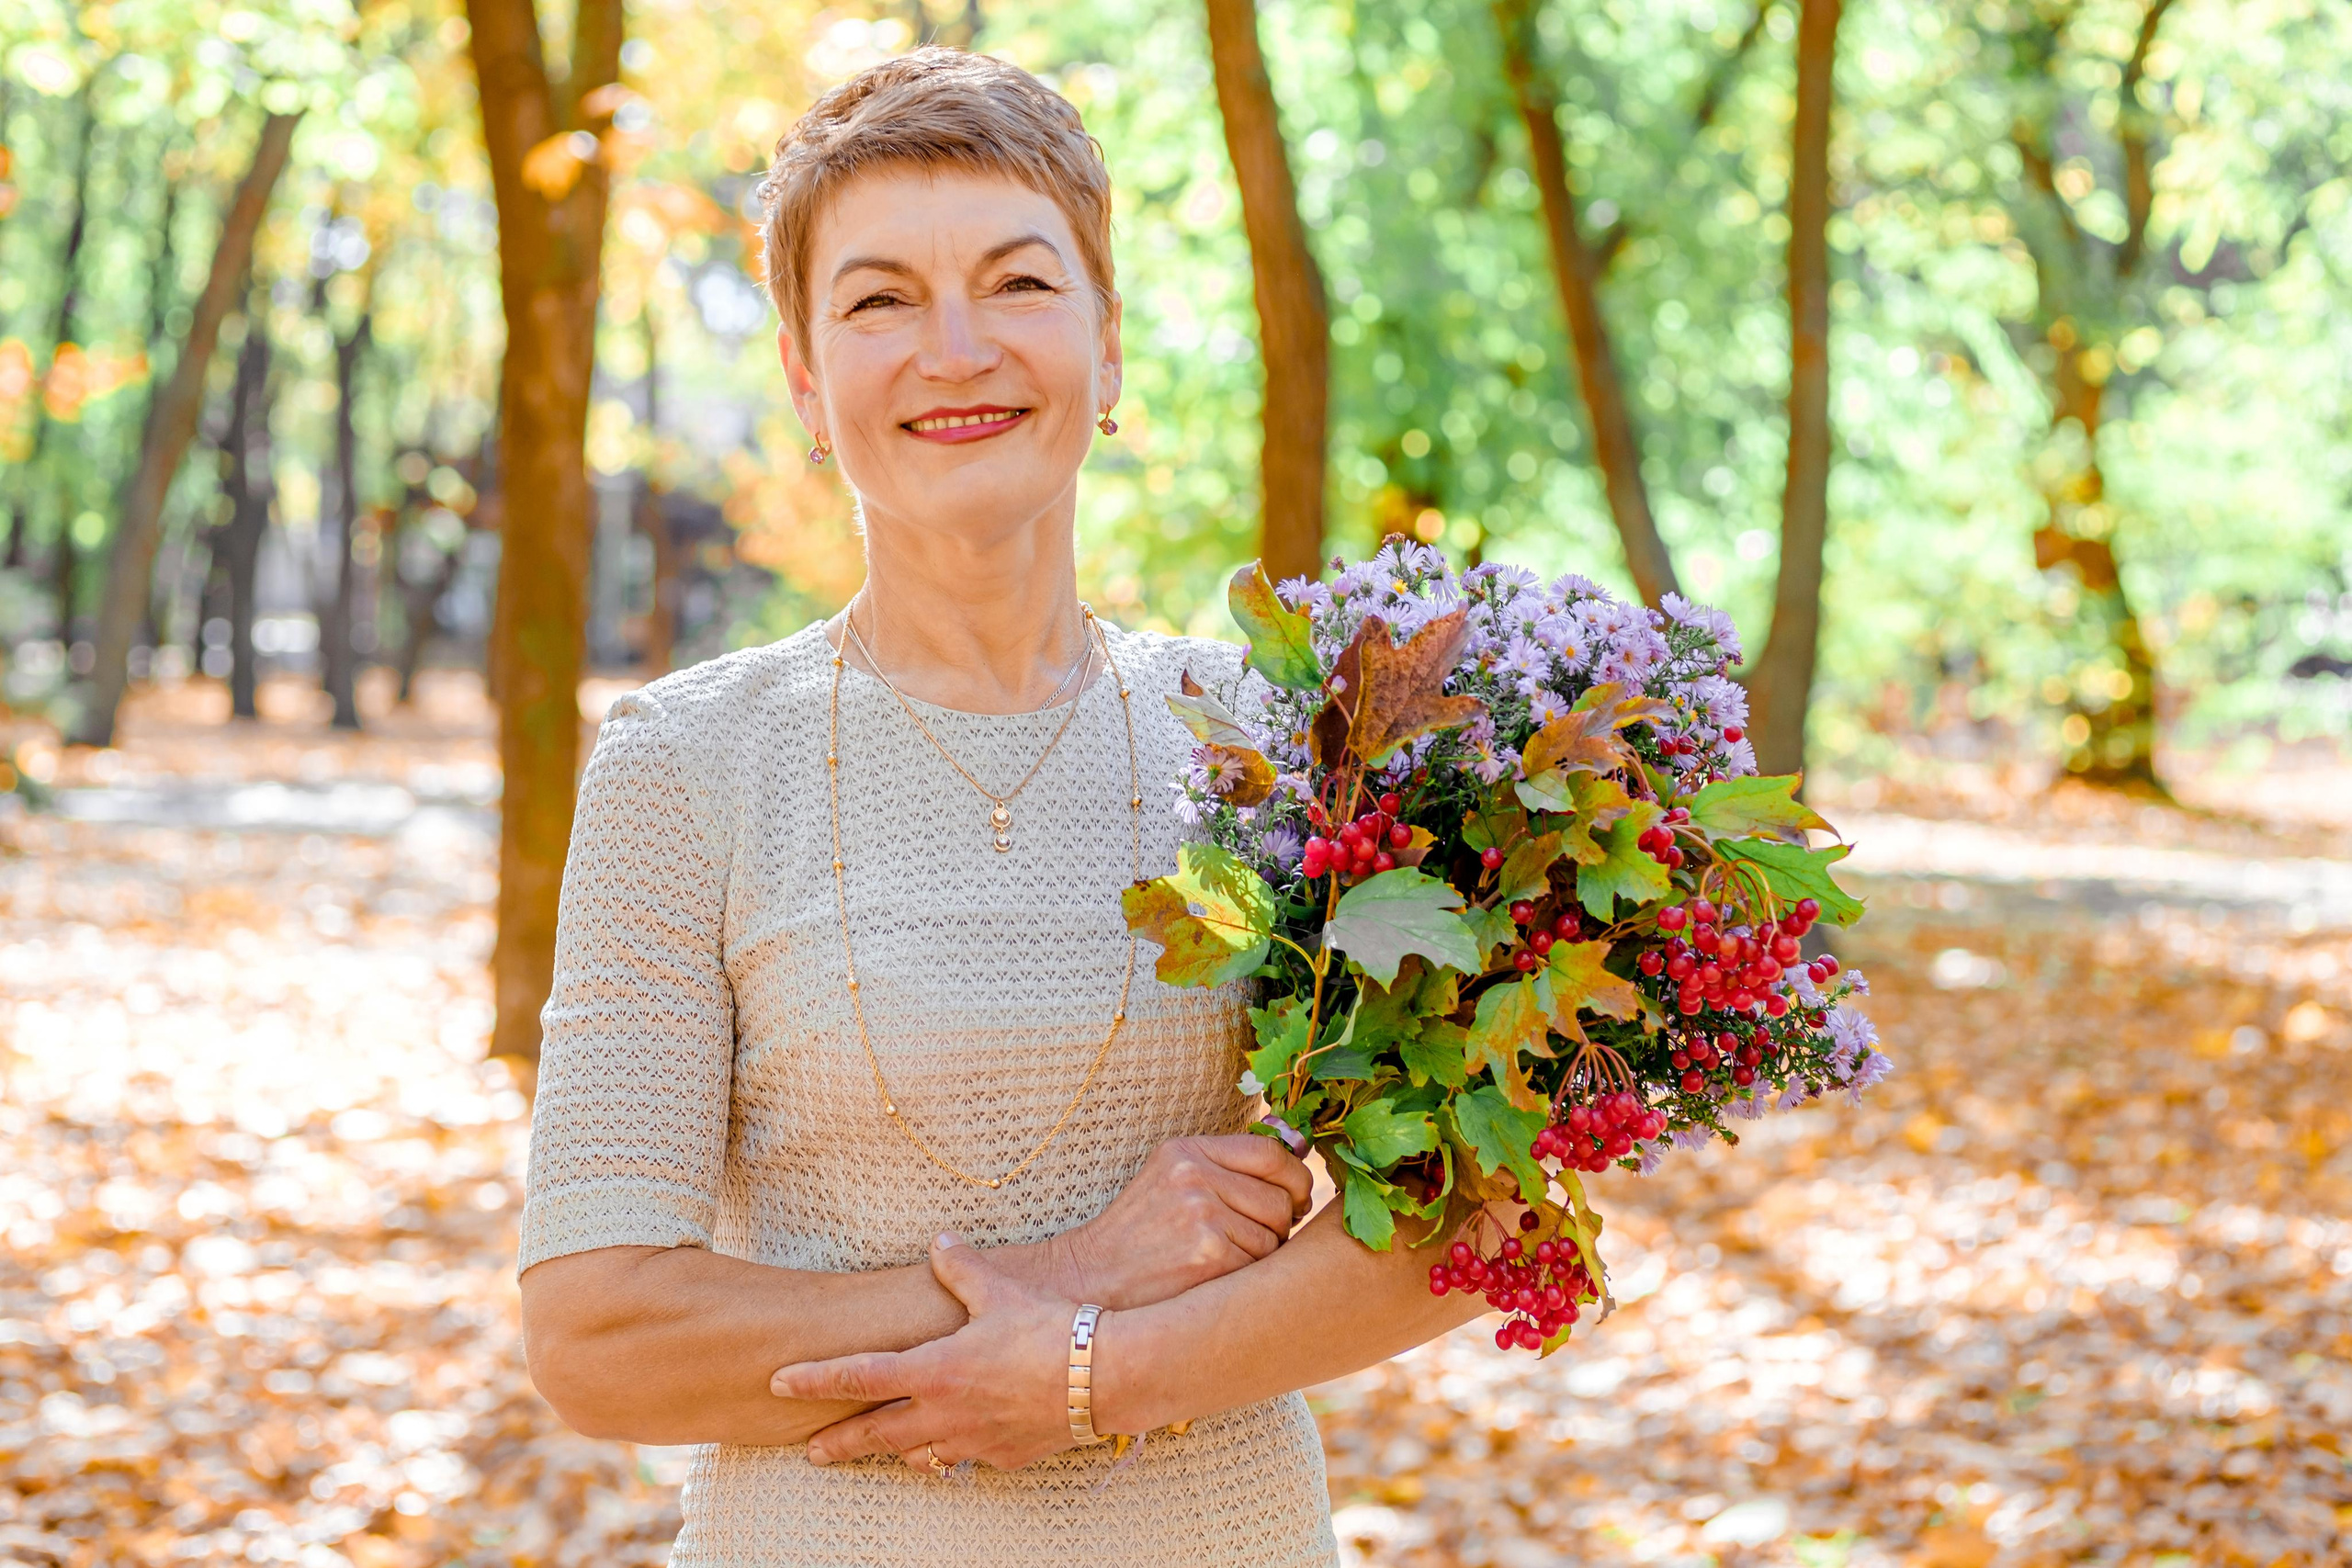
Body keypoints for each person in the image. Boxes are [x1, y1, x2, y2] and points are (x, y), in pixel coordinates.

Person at [514, 47, 1496, 1567]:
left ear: (1108, 349)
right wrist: (1084, 1269)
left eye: (1020, 283)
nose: (956, 349)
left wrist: (1094, 1375)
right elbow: (601, 1340)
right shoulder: (687, 766)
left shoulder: (1289, 739)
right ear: (805, 379)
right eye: (881, 301)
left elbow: (1468, 1221)